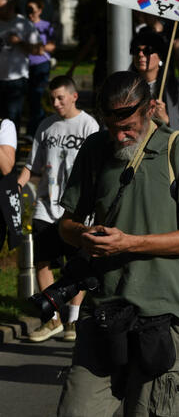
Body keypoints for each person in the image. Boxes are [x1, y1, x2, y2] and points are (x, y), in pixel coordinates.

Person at [55, 70, 179, 416]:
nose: (120, 135)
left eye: (128, 126)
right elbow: (66, 224)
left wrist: (128, 243)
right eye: (112, 127)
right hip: (102, 313)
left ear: (149, 109)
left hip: (161, 315)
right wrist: (83, 236)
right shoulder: (95, 148)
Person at [17, 76, 99, 343]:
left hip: (76, 209)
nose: (55, 103)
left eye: (60, 98)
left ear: (74, 96)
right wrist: (16, 186)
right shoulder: (46, 126)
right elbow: (32, 165)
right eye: (52, 98)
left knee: (77, 265)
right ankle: (52, 318)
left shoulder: (88, 125)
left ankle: (72, 320)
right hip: (46, 204)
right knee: (42, 261)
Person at [0, 0, 41, 130]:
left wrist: (19, 42)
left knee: (12, 118)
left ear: (11, 7)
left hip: (16, 79)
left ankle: (11, 144)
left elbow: (38, 50)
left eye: (1, 8)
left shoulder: (24, 24)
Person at [26, 0, 56, 137]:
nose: (29, 14)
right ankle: (32, 131)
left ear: (39, 10)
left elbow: (52, 46)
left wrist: (38, 48)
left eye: (32, 10)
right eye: (27, 10)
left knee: (37, 97)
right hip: (24, 66)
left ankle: (36, 132)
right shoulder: (23, 25)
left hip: (41, 65)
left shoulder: (46, 26)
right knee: (28, 99)